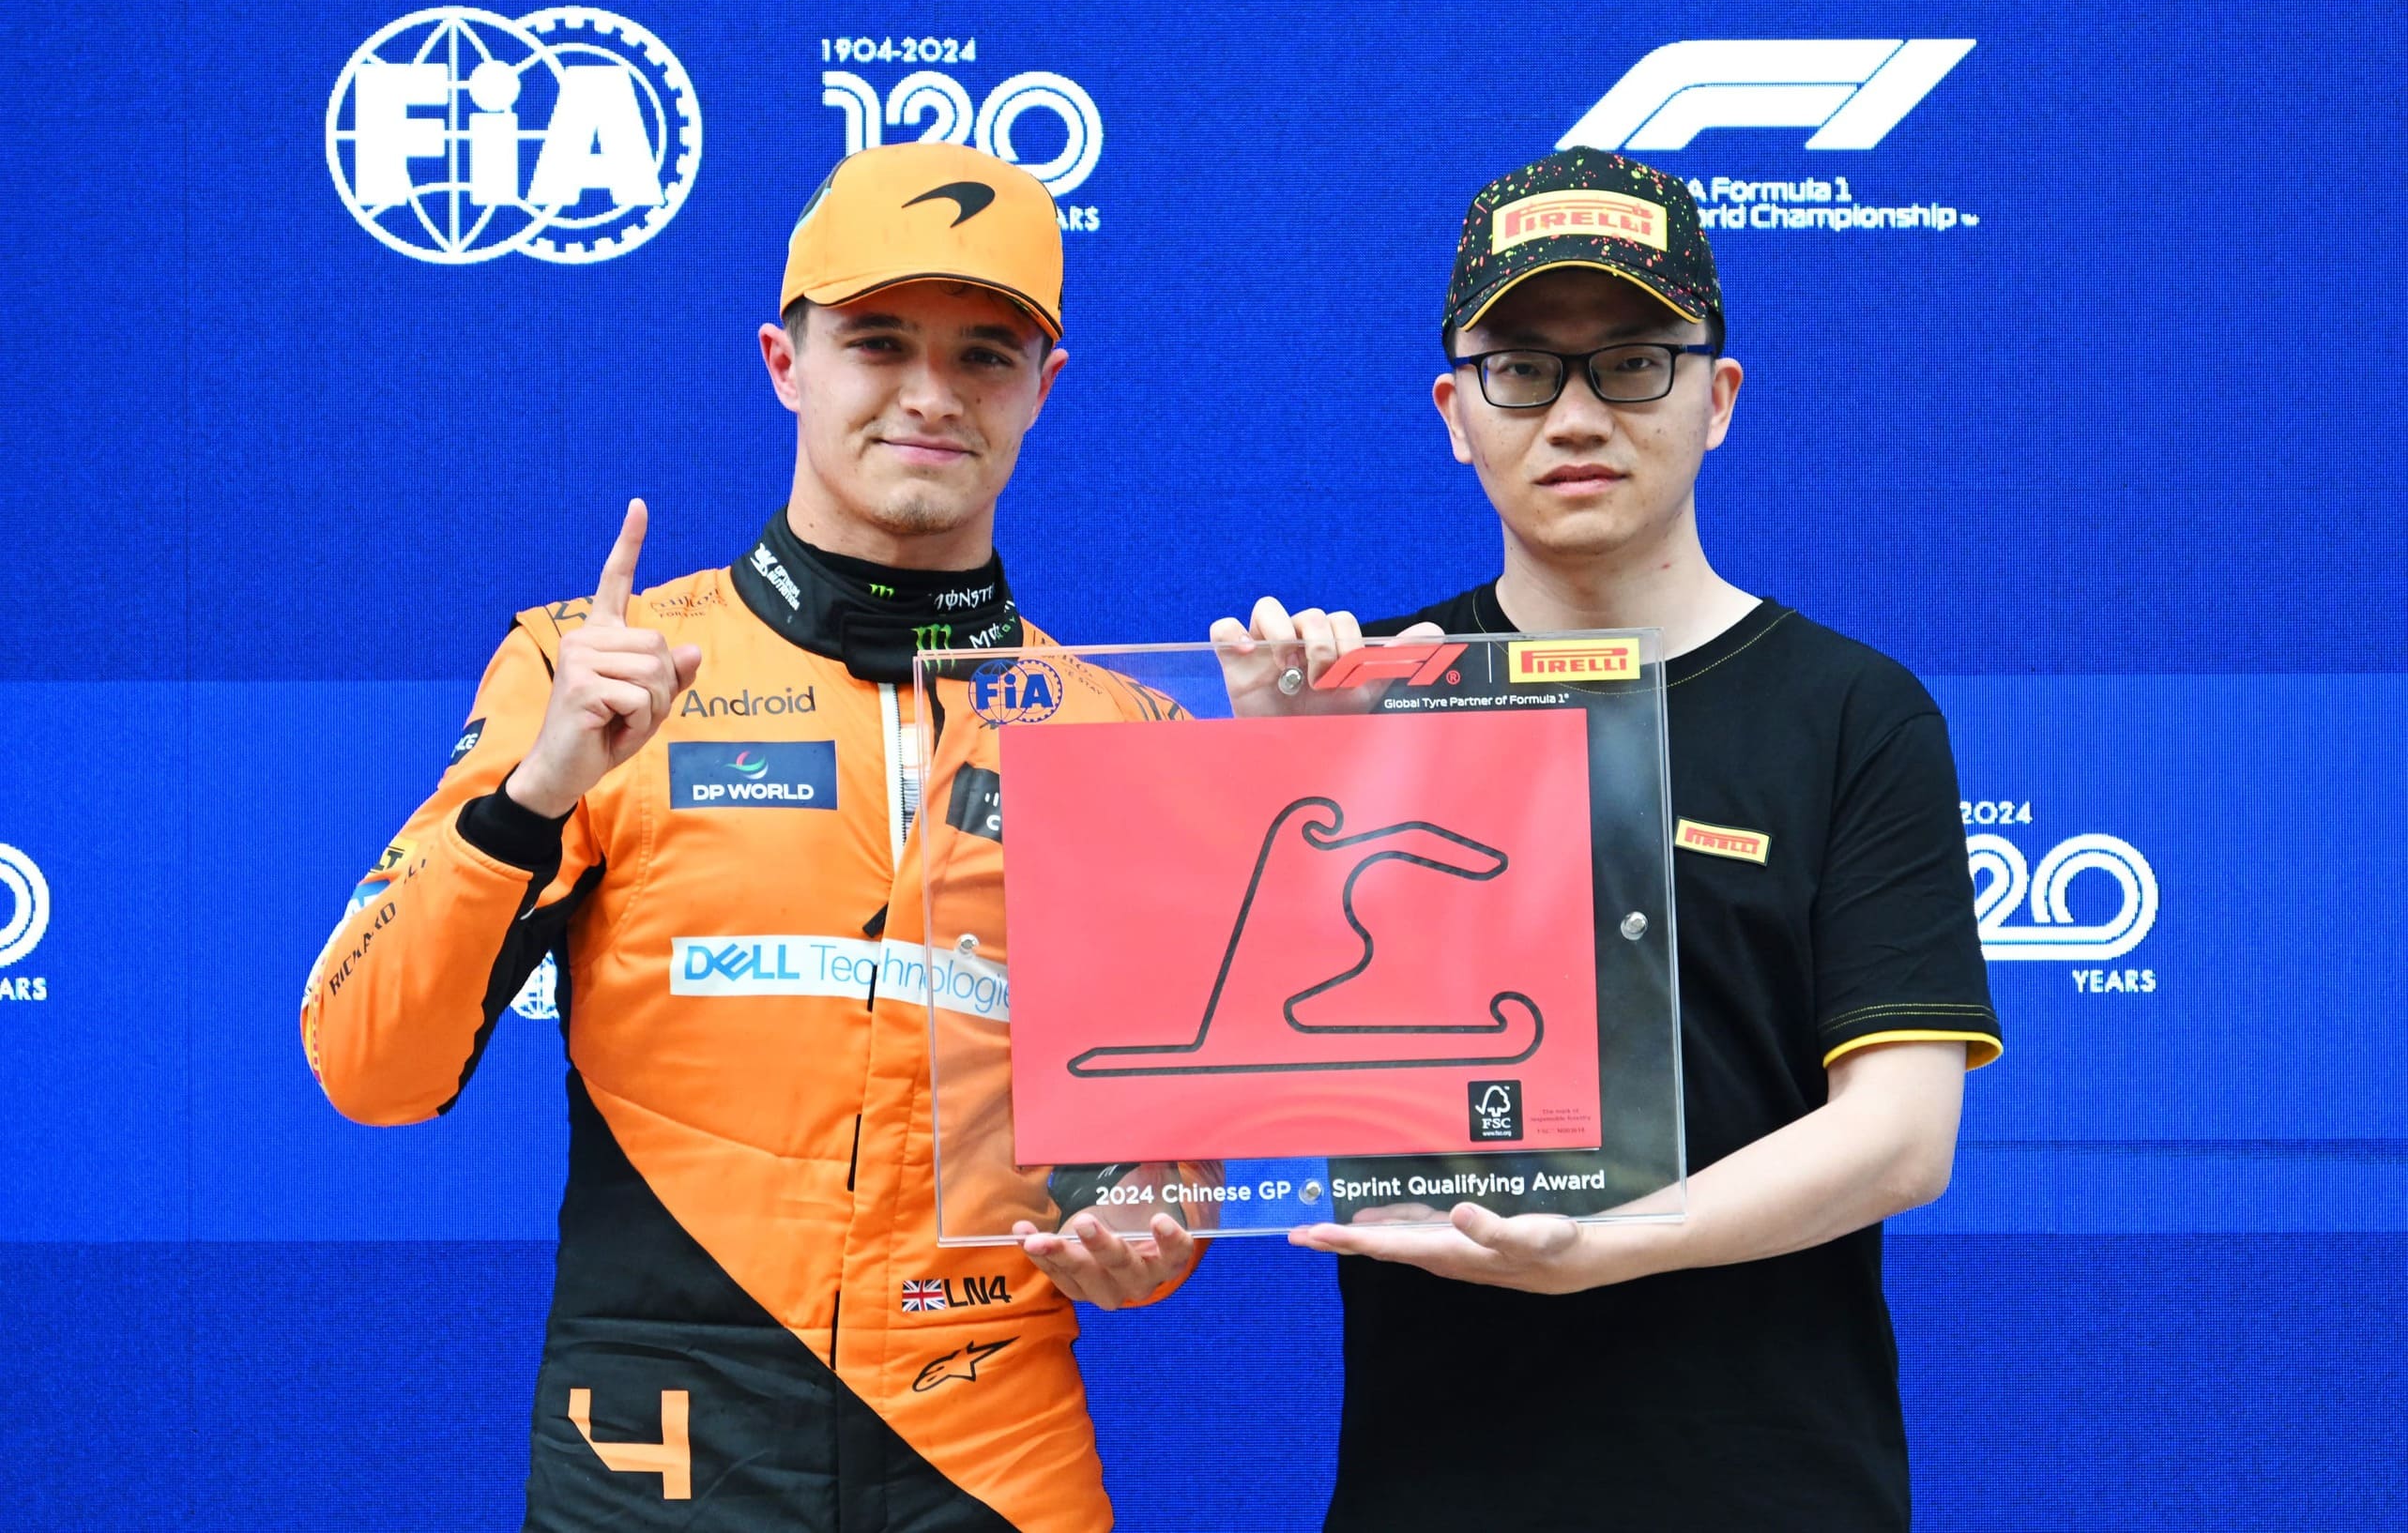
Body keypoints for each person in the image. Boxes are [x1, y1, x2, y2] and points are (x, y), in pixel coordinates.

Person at [301, 141, 1198, 1533]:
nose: (929, 392)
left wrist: (1150, 1230)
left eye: (983, 354)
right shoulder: (594, 670)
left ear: (1044, 387)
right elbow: (369, 1067)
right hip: (658, 1448)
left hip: (991, 1451)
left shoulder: (1122, 729)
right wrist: (535, 793)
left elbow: (1161, 1150)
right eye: (878, 342)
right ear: (785, 362)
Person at [1212, 149, 2003, 1530]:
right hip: (1437, 1484)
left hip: (1772, 1487)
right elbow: (1245, 1077)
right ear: (1456, 413)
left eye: (1633, 363)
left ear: (1719, 397)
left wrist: (1610, 1241)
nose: (1576, 414)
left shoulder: (1851, 712)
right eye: (1522, 370)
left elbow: (1899, 1137)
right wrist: (1269, 784)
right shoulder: (1358, 698)